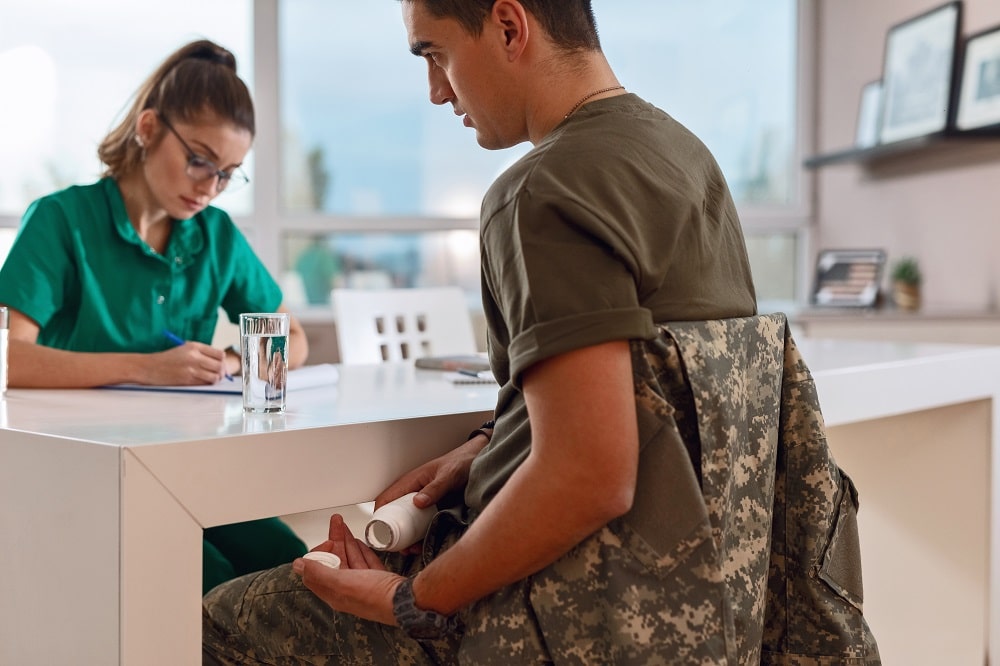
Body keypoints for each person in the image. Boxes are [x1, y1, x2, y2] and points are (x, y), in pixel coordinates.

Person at [203, 2, 878, 664]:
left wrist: (412, 598)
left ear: (507, 25)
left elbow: (589, 474)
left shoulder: (539, 192)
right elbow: (661, 399)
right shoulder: (684, 158)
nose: (437, 92)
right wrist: (490, 443)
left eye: (434, 53)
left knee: (216, 623)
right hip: (690, 612)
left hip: (558, 619)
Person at [0, 39, 309, 593]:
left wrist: (235, 362)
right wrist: (147, 367)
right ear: (147, 128)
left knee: (295, 565)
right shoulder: (60, 220)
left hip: (185, 468)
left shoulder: (215, 235)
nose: (210, 188)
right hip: (77, 472)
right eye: (199, 160)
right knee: (207, 582)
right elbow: (8, 360)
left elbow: (294, 339)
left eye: (228, 174)